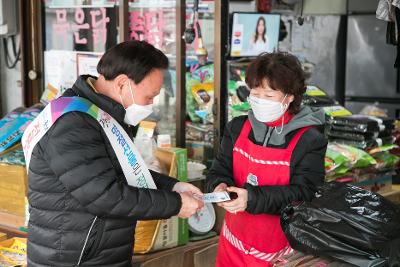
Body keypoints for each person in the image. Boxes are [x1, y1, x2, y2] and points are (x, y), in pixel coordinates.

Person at [26, 41, 204, 266]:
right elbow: (104, 195)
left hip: (99, 251)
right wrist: (175, 204)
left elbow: (121, 171)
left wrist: (173, 186)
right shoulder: (73, 124)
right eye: (149, 97)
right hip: (74, 258)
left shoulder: (101, 113)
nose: (151, 104)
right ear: (122, 83)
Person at [206, 52, 327, 267]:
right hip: (232, 245)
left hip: (280, 254)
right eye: (255, 93)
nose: (260, 101)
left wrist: (251, 199)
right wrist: (218, 186)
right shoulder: (237, 127)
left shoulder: (309, 139)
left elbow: (306, 193)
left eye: (269, 96)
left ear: (290, 97)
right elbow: (219, 169)